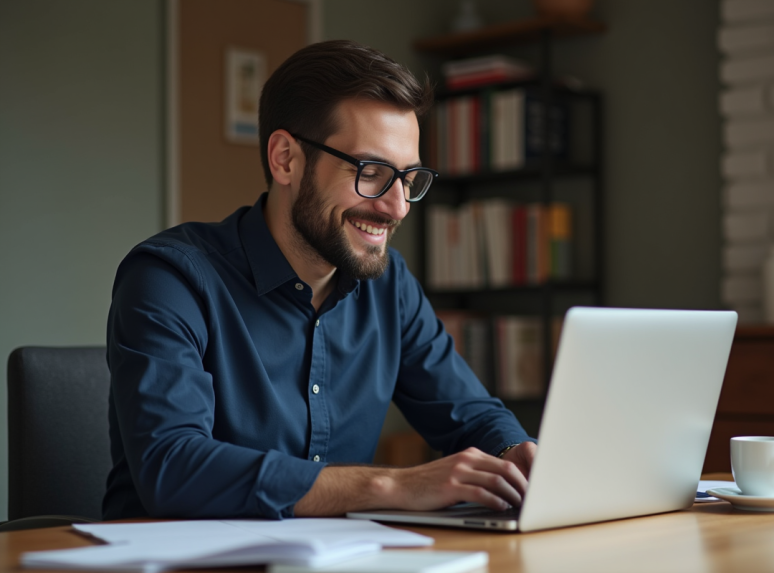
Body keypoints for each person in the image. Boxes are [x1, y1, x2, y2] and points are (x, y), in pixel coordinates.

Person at [104, 40, 537, 520]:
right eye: (371, 172)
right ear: (285, 158)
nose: (396, 208)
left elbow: (471, 415)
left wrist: (515, 454)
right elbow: (172, 468)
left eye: (409, 179)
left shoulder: (390, 287)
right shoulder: (170, 279)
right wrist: (391, 485)